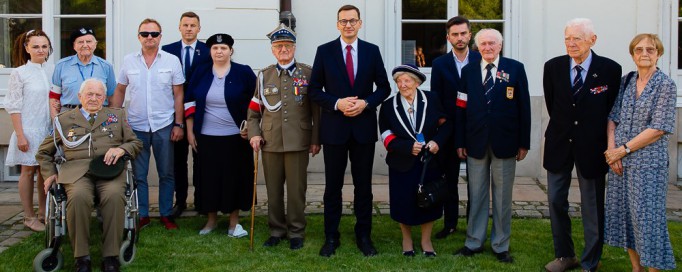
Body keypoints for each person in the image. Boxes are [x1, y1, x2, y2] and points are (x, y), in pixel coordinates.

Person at [309, 4, 391, 257]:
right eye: (343, 21)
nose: (348, 25)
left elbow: (384, 87)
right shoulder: (324, 51)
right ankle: (331, 237)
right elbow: (313, 90)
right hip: (334, 129)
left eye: (352, 20)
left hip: (363, 129)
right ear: (337, 24)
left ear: (360, 23)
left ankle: (363, 236)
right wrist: (337, 103)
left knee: (363, 186)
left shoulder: (371, 51)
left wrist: (366, 103)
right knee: (332, 186)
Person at [36, 78, 142, 272]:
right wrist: (49, 174)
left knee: (114, 196)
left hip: (109, 170)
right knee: (78, 197)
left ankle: (110, 256)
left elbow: (135, 143)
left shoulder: (116, 116)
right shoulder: (64, 119)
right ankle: (82, 257)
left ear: (104, 98)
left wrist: (121, 150)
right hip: (76, 172)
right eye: (89, 94)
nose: (93, 98)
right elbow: (43, 152)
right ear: (80, 96)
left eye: (98, 95)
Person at [542, 18, 622, 272]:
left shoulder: (610, 69)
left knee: (592, 206)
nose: (571, 43)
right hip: (559, 144)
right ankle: (565, 255)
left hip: (592, 147)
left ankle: (590, 261)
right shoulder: (552, 67)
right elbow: (553, 103)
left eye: (577, 38)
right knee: (555, 200)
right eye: (567, 38)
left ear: (592, 40)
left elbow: (612, 109)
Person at [454, 28, 530, 263]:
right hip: (475, 141)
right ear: (477, 47)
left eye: (492, 44)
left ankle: (500, 245)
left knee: (502, 196)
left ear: (500, 46)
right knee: (476, 194)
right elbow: (460, 107)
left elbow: (524, 107)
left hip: (506, 142)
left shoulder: (515, 68)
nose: (487, 48)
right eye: (483, 44)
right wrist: (460, 141)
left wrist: (523, 142)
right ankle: (473, 241)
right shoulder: (468, 72)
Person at [603, 33, 676, 271]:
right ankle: (636, 268)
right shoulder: (626, 81)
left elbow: (658, 128)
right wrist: (612, 150)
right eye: (639, 49)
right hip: (620, 165)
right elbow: (612, 118)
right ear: (632, 53)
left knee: (649, 221)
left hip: (648, 164)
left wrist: (622, 150)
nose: (644, 53)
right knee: (626, 218)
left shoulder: (665, 85)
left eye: (650, 50)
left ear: (659, 54)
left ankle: (653, 269)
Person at [247, 24, 320, 249]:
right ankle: (276, 230)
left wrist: (316, 139)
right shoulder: (264, 75)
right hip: (270, 142)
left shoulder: (307, 73)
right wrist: (254, 135)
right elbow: (253, 112)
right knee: (274, 190)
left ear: (294, 47)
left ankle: (296, 232)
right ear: (272, 50)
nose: (283, 50)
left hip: (299, 140)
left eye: (287, 46)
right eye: (278, 46)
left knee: (297, 191)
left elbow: (316, 111)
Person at [110, 18, 184, 230]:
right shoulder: (128, 61)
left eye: (154, 34)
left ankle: (166, 214)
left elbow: (178, 94)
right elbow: (120, 90)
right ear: (139, 36)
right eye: (145, 34)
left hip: (164, 125)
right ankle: (142, 214)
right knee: (139, 174)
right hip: (136, 126)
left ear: (160, 36)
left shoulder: (171, 61)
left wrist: (178, 124)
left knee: (166, 173)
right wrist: (116, 121)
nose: (149, 37)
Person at [184, 33, 255, 237]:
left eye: (223, 48)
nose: (219, 51)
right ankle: (211, 220)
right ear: (210, 51)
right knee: (209, 179)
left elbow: (255, 101)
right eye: (215, 48)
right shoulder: (200, 72)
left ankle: (233, 223)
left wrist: (251, 127)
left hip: (236, 138)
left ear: (231, 51)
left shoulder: (243, 72)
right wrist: (190, 131)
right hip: (206, 137)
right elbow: (189, 102)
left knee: (234, 179)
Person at [379, 64, 451, 257]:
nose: (403, 85)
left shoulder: (432, 99)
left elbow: (446, 126)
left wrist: (437, 141)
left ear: (417, 82)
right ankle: (407, 239)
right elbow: (385, 135)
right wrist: (406, 147)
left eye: (407, 80)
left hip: (429, 162)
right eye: (399, 81)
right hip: (402, 163)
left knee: (429, 201)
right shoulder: (388, 105)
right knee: (404, 202)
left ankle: (426, 241)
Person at [429, 15, 481, 239]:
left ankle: (473, 225)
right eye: (455, 34)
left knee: (476, 181)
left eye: (463, 33)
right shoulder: (439, 64)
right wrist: (441, 120)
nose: (460, 38)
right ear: (448, 37)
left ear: (470, 34)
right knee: (449, 178)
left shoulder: (481, 59)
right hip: (449, 128)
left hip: (476, 127)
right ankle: (449, 224)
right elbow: (435, 96)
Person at [161, 11, 210, 219]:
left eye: (193, 25)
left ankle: (201, 202)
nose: (189, 29)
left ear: (199, 29)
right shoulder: (167, 51)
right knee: (178, 161)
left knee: (201, 160)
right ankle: (180, 201)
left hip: (202, 114)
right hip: (176, 114)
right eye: (185, 25)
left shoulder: (208, 51)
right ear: (179, 27)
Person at [5, 29, 53, 232]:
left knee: (45, 172)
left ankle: (43, 212)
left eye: (44, 46)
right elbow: (13, 106)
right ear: (26, 48)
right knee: (27, 171)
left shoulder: (51, 71)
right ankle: (28, 216)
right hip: (28, 129)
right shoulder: (19, 73)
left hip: (47, 129)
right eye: (35, 46)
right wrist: (21, 135)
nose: (40, 50)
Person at [50, 27, 116, 118]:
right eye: (80, 42)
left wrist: (110, 120)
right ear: (74, 46)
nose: (85, 45)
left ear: (95, 44)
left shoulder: (106, 67)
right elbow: (54, 97)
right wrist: (56, 123)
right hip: (69, 115)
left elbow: (112, 97)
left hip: (99, 116)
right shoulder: (61, 66)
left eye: (89, 41)